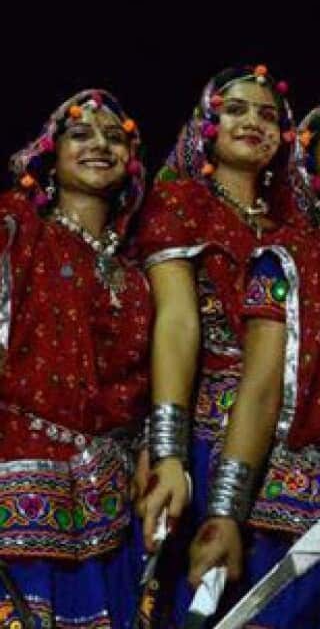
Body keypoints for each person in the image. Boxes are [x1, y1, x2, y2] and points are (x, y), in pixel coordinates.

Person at [183, 97, 320, 627]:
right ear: (312, 174)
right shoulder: (285, 258)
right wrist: (224, 515)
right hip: (299, 510)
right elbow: (258, 390)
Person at [134, 64, 296, 622]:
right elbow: (178, 324)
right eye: (237, 109)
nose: (254, 121)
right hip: (207, 435)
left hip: (289, 440)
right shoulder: (180, 202)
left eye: (269, 114)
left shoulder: (294, 226)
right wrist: (170, 454)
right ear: (207, 125)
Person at [0, 90, 151, 627]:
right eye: (81, 134)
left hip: (107, 505)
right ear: (50, 153)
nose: (101, 145)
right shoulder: (18, 230)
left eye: (115, 137)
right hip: (16, 475)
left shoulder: (137, 275)